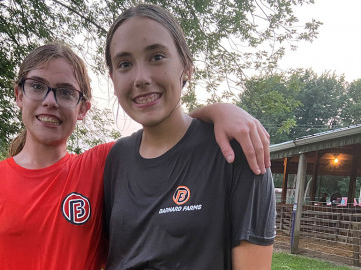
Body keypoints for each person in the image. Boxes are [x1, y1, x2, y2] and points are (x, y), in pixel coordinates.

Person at [0, 43, 270, 269]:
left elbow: (167, 130)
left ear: (83, 108)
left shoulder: (104, 163)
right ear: (19, 94)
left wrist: (218, 110)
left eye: (66, 92)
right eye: (37, 86)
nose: (50, 101)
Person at [103, 4, 276, 269]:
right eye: (124, 64)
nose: (141, 78)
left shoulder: (236, 151)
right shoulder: (117, 158)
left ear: (186, 67)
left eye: (157, 57)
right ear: (113, 79)